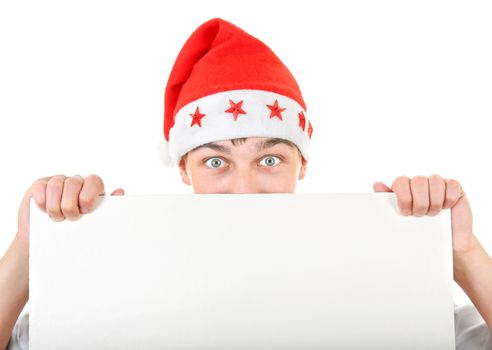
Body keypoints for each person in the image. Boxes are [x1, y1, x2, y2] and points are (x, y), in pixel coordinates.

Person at [1, 17, 491, 350]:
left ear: (302, 165)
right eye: (216, 163)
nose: (244, 190)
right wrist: (28, 247)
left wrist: (463, 251)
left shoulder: (388, 289)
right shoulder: (108, 289)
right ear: (184, 170)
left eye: (270, 158)